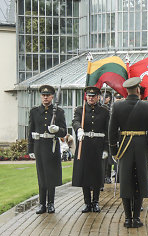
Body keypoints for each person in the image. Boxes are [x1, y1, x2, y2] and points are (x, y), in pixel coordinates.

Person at [109, 77, 148, 228]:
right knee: (140, 181)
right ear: (138, 90)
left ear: (126, 91)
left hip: (124, 147)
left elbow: (112, 131)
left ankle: (127, 218)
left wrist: (114, 150)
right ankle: (136, 217)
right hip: (142, 146)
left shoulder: (117, 106)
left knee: (126, 181)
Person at [28, 85, 67, 214]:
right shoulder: (34, 111)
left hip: (52, 146)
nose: (45, 97)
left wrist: (57, 130)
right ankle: (41, 204)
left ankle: (51, 203)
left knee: (51, 176)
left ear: (52, 96)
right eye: (43, 95)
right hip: (39, 146)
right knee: (41, 176)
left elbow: (64, 132)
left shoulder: (59, 112)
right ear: (41, 96)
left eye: (48, 95)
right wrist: (31, 149)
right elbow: (30, 131)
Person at [72, 86, 110, 213]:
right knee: (85, 175)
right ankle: (87, 203)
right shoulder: (80, 110)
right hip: (85, 145)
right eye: (89, 96)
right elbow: (75, 121)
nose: (91, 98)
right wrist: (79, 129)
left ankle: (96, 202)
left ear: (98, 97)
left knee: (97, 175)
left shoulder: (104, 111)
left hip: (98, 145)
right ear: (86, 96)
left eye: (93, 96)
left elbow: (107, 131)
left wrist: (106, 148)